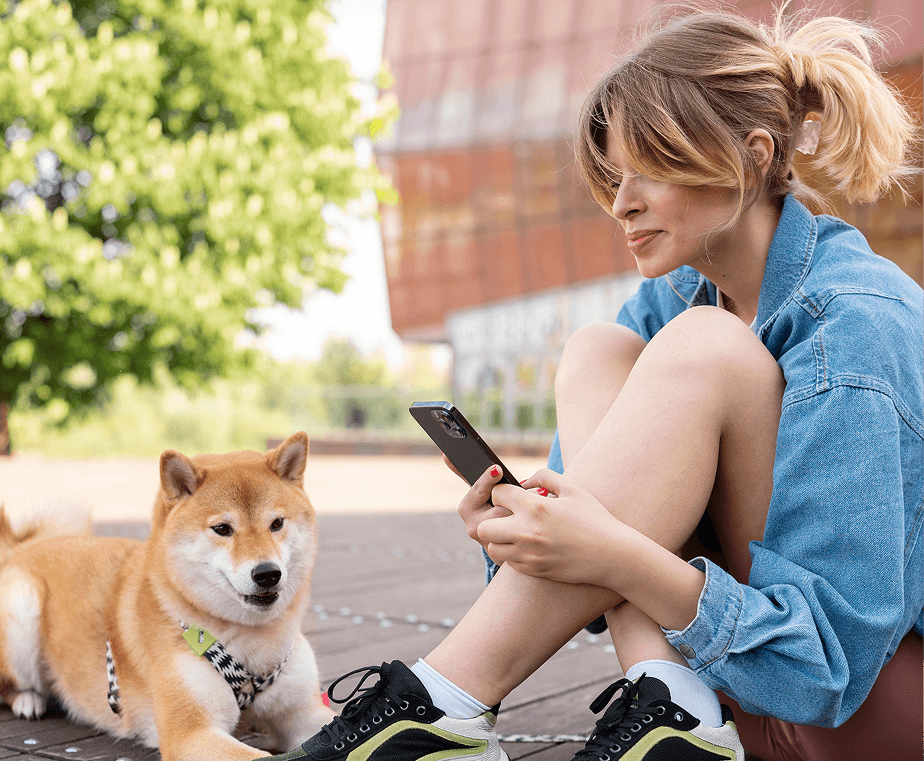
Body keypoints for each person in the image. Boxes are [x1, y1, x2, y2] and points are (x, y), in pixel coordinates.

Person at [266, 7, 922, 761]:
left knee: (705, 347)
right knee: (597, 350)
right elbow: (583, 550)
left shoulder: (855, 326)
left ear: (753, 156)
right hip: (736, 693)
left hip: (858, 709)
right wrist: (523, 530)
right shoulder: (669, 302)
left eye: (651, 169)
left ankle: (440, 705)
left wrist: (612, 552)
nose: (620, 203)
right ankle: (668, 707)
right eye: (615, 175)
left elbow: (828, 671)